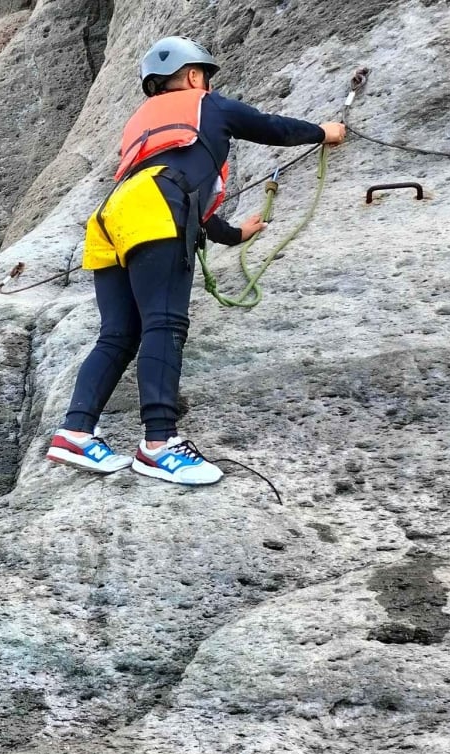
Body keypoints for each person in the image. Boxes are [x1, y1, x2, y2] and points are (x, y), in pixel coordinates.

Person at [46, 36, 345, 485]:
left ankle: (75, 433)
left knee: (117, 336)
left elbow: (180, 195)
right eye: (203, 75)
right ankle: (160, 444)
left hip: (112, 217)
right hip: (156, 213)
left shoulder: (140, 123)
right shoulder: (207, 103)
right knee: (164, 325)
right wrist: (323, 132)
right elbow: (270, 127)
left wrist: (231, 234)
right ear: (192, 75)